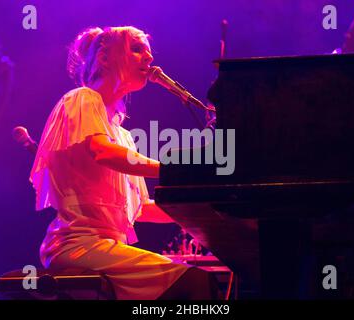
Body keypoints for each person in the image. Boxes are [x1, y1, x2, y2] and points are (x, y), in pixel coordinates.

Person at [29, 26, 221, 300]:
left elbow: (139, 208)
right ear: (104, 58)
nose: (148, 57)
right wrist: (175, 170)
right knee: (192, 283)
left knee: (200, 282)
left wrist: (203, 212)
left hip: (103, 247)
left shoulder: (123, 135)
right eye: (136, 48)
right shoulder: (82, 99)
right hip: (76, 245)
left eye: (149, 52)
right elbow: (104, 153)